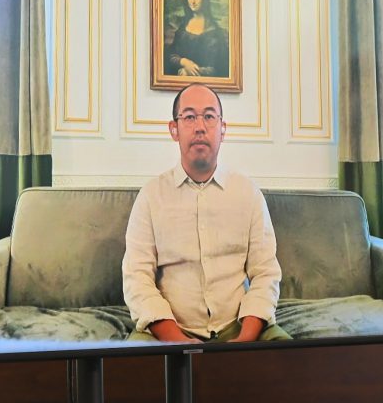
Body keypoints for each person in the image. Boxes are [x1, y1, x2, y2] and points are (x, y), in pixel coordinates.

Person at [122, 83, 291, 343]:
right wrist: (178, 341)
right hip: (170, 331)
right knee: (130, 363)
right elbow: (137, 279)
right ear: (174, 129)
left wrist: (245, 341)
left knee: (289, 357)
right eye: (189, 117)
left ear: (223, 129)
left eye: (209, 116)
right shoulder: (151, 197)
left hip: (239, 327)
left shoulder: (248, 194)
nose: (200, 127)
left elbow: (265, 273)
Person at [165, 0, 229, 78]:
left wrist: (190, 71)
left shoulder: (217, 33)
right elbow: (170, 55)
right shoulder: (182, 27)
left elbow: (220, 68)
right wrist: (184, 62)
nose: (193, 1)